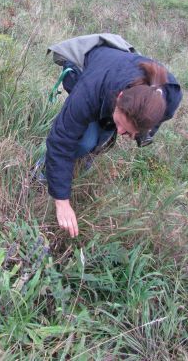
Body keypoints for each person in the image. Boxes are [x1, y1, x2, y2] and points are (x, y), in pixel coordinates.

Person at [45, 43, 182, 238]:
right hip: (85, 66)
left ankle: (77, 165)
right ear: (118, 98)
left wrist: (141, 134)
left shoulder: (170, 96)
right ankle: (43, 171)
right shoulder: (90, 90)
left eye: (126, 131)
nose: (120, 131)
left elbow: (155, 121)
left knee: (101, 139)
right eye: (119, 123)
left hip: (118, 70)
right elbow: (60, 140)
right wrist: (62, 201)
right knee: (84, 141)